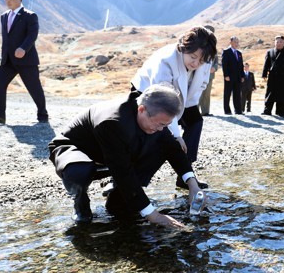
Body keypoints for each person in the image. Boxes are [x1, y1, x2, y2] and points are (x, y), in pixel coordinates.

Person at [48, 84, 204, 227]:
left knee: (161, 146)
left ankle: (118, 199)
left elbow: (173, 149)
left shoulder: (153, 116)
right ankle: (81, 202)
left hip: (114, 152)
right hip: (78, 151)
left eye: (166, 125)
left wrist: (193, 185)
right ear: (142, 109)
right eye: (160, 124)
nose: (161, 129)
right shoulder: (113, 122)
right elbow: (122, 171)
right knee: (79, 172)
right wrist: (154, 215)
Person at [131, 26, 217, 189]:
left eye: (201, 60)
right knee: (156, 135)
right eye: (193, 57)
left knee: (195, 121)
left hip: (182, 98)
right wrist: (176, 136)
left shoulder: (204, 59)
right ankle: (128, 180)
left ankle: (185, 174)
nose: (196, 63)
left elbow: (199, 87)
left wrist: (188, 108)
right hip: (149, 94)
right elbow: (163, 104)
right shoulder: (166, 61)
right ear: (183, 48)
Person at [0, 0, 48, 124]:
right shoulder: (4, 16)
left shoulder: (30, 15)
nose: (8, 1)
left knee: (34, 88)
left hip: (26, 60)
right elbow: (7, 38)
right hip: (8, 60)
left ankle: (43, 115)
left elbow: (32, 35)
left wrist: (23, 48)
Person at [261, 35, 284, 117]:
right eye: (277, 42)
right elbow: (266, 64)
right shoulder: (270, 52)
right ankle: (267, 110)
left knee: (283, 94)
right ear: (274, 43)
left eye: (280, 42)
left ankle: (280, 112)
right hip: (273, 77)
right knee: (270, 94)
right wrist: (264, 74)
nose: (279, 43)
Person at [221, 36, 245, 115]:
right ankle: (227, 110)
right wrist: (226, 75)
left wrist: (242, 76)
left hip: (238, 77)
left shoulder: (239, 53)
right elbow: (224, 65)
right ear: (230, 42)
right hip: (229, 77)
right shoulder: (226, 52)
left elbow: (241, 66)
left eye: (237, 42)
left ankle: (238, 110)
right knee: (227, 94)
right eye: (235, 42)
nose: (236, 43)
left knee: (237, 94)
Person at [199, 25, 219, 116]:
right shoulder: (199, 45)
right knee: (197, 92)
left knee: (207, 93)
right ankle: (194, 111)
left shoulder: (214, 47)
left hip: (210, 75)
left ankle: (205, 111)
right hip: (199, 74)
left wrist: (214, 68)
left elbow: (216, 61)